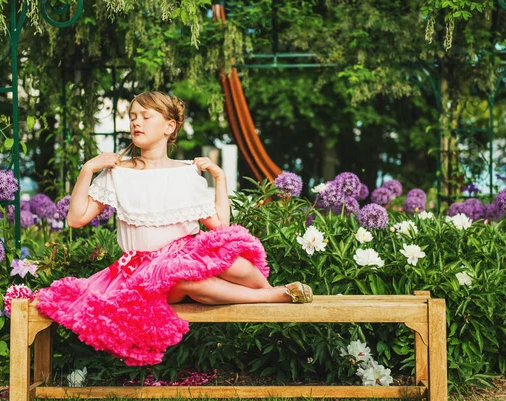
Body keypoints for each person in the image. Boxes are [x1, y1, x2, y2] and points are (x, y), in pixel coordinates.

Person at [34, 91, 313, 367]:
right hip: (144, 269)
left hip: (184, 251)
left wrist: (220, 177)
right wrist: (87, 169)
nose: (136, 123)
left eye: (145, 116)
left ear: (169, 127)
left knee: (237, 266)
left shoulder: (186, 173)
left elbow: (221, 228)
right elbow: (75, 219)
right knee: (188, 279)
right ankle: (271, 296)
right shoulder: (118, 172)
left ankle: (270, 297)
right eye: (132, 117)